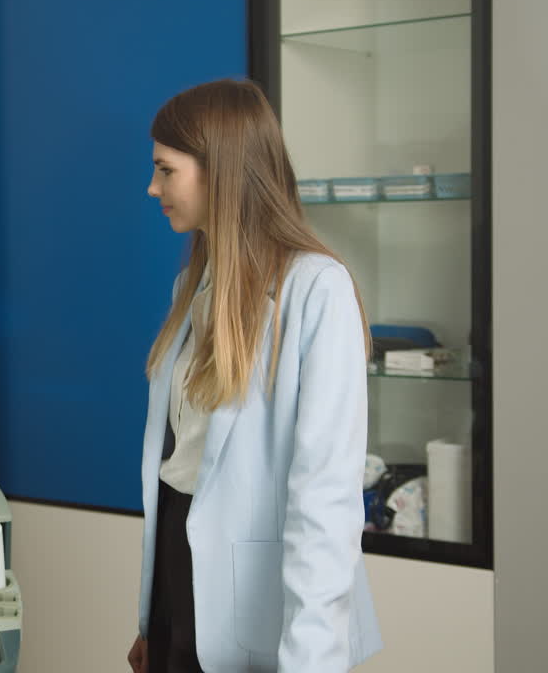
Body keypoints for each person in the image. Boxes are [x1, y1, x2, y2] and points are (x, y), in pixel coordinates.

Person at [126, 79, 382, 672]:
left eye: (166, 170)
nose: (153, 187)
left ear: (219, 168)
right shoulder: (193, 288)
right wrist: (155, 620)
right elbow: (180, 465)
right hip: (179, 571)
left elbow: (324, 500)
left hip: (264, 599)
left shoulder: (316, 289)